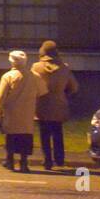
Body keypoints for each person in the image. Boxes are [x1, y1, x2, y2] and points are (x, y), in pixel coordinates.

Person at [0, 50, 46, 172]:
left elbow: (0, 97)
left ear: (12, 62)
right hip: (27, 113)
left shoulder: (8, 76)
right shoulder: (35, 77)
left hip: (11, 113)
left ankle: (9, 160)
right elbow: (43, 91)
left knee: (11, 137)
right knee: (25, 138)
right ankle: (24, 162)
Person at [32, 40, 79, 170]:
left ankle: (47, 160)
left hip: (42, 104)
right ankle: (59, 159)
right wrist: (64, 94)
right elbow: (74, 87)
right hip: (59, 104)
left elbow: (32, 85)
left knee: (44, 134)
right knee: (57, 132)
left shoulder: (36, 67)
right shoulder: (64, 68)